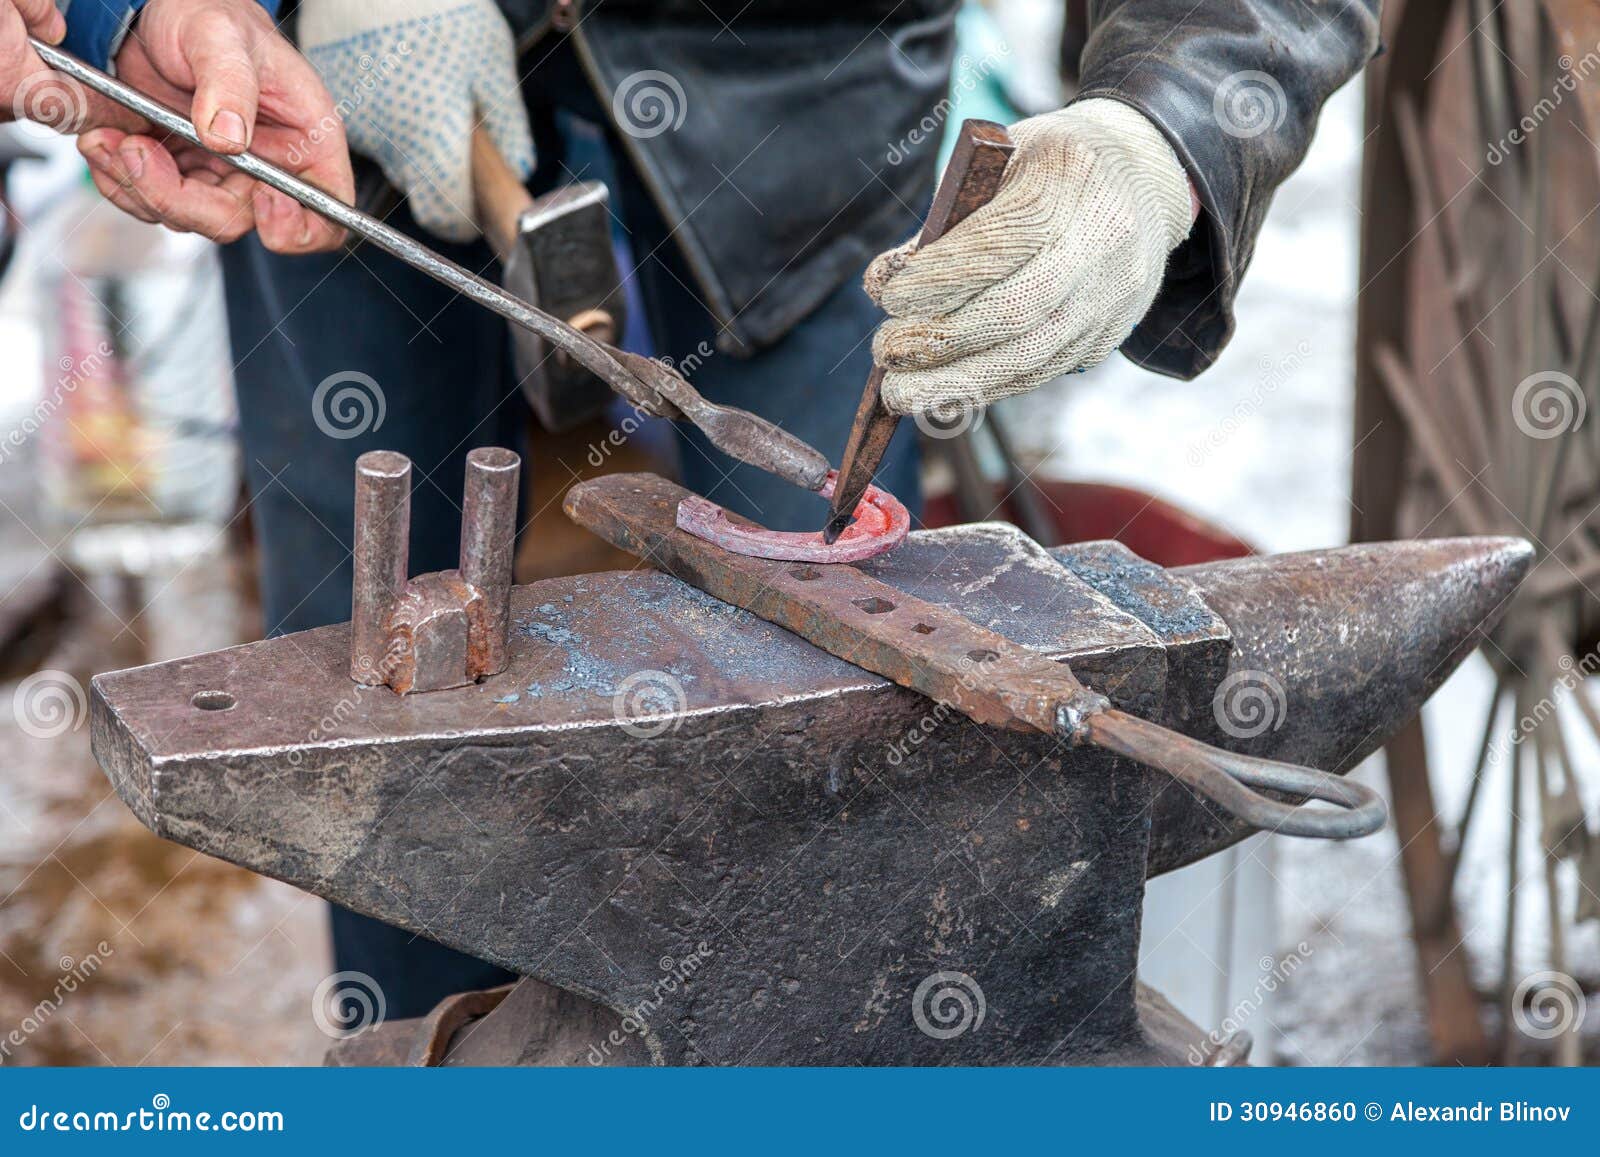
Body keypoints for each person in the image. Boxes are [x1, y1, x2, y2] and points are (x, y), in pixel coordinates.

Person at [51, 0, 1381, 1018]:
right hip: (341, 51)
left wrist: (1168, 128)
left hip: (800, 83)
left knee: (850, 738)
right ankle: (426, 1057)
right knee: (374, 701)